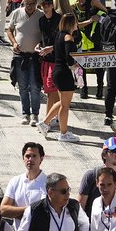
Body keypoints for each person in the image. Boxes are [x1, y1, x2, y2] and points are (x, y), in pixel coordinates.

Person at [38, 13, 81, 143]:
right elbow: (69, 59)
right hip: (64, 73)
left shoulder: (59, 35)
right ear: (71, 24)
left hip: (57, 71)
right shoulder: (68, 37)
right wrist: (77, 65)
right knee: (65, 106)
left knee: (62, 102)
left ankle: (45, 122)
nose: (77, 25)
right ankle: (63, 133)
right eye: (75, 22)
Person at [7, 0, 43, 126]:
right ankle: (25, 113)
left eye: (33, 4)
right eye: (28, 4)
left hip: (34, 57)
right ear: (23, 2)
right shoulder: (17, 13)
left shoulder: (40, 15)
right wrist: (14, 43)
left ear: (36, 4)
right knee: (22, 86)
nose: (30, 7)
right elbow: (9, 30)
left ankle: (35, 114)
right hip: (20, 56)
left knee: (35, 86)